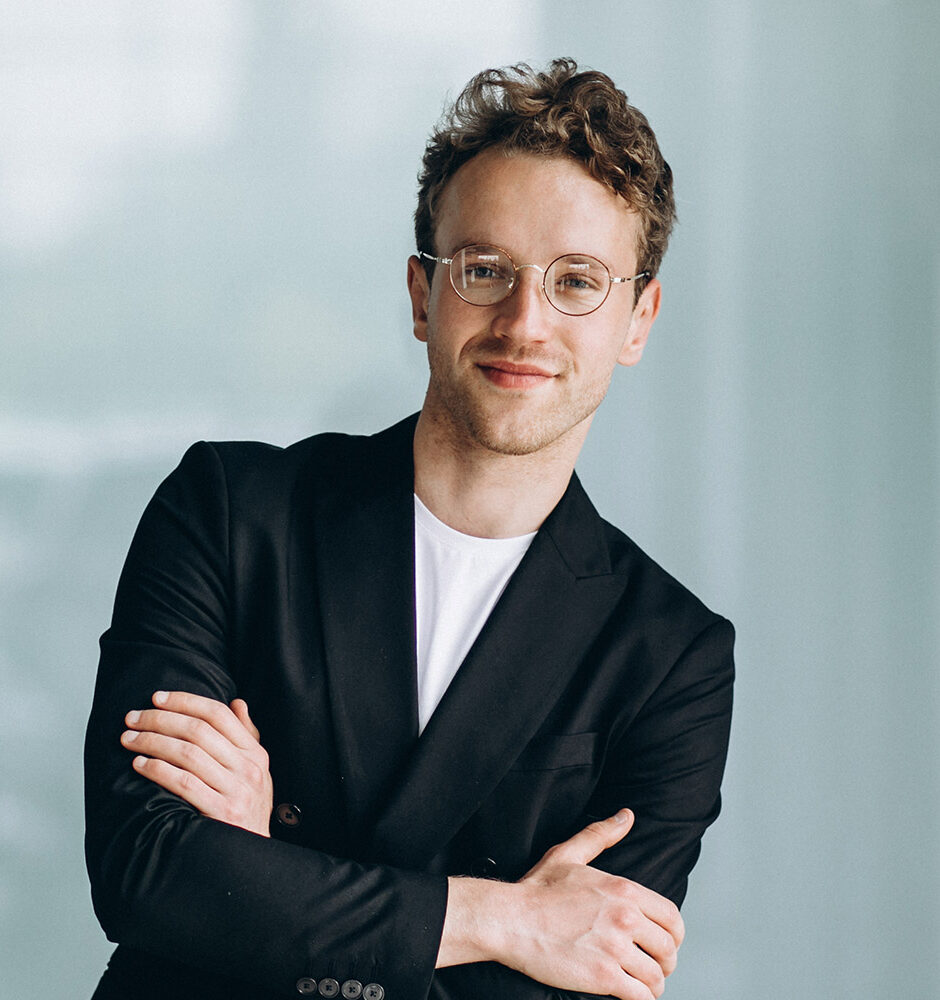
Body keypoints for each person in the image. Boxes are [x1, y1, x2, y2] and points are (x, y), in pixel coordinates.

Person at [84, 58, 734, 1000]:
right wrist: (504, 919)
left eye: (577, 281)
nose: (525, 322)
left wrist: (264, 873)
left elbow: (577, 986)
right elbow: (147, 872)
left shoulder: (672, 658)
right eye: (485, 270)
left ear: (639, 319)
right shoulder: (226, 512)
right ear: (423, 295)